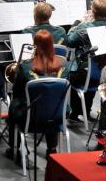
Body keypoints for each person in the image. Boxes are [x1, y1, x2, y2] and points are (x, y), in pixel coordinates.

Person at [7, 30, 68, 162]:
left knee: (14, 105)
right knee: (50, 104)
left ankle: (14, 147)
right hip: (57, 116)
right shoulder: (64, 66)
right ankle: (52, 148)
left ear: (35, 45)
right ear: (52, 45)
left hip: (32, 119)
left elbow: (17, 92)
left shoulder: (25, 66)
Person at [66, 0, 106, 122]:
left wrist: (79, 22)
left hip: (91, 74)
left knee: (70, 74)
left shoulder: (85, 26)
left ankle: (75, 113)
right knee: (93, 66)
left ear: (93, 12)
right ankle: (85, 110)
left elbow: (69, 41)